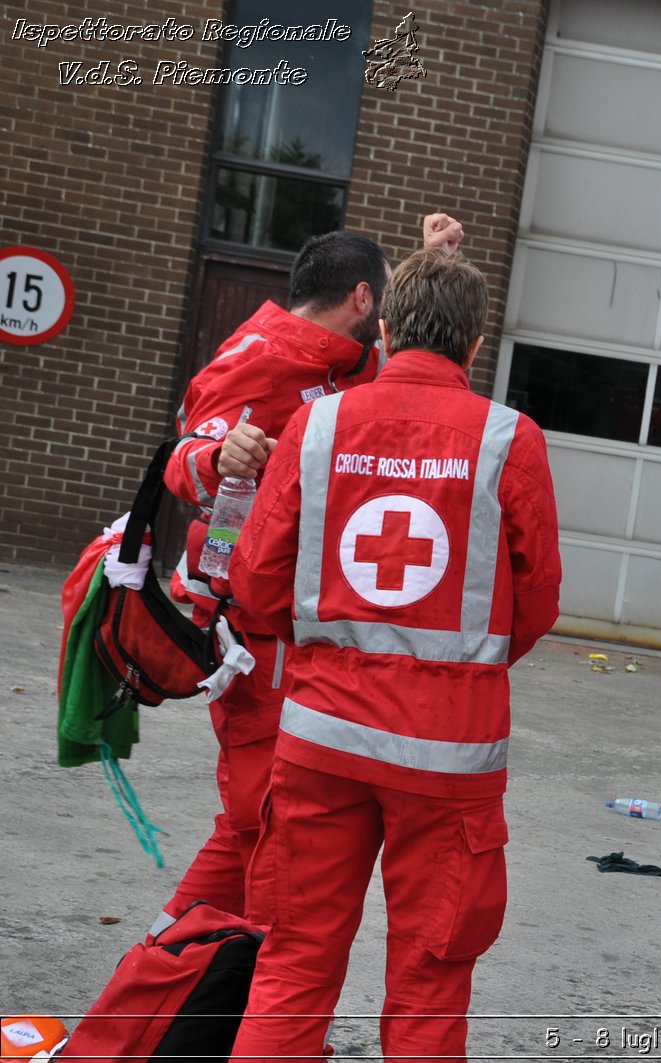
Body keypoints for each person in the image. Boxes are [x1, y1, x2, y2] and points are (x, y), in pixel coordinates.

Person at [225, 249, 561, 1060]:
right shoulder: (510, 439)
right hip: (451, 754)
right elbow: (537, 598)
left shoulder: (317, 426)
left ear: (383, 327)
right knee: (430, 979)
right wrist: (463, 664)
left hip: (320, 739)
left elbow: (259, 584)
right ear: (477, 346)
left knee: (296, 958)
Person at [151, 214, 463, 936]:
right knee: (264, 820)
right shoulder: (260, 357)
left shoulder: (340, 359)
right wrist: (217, 456)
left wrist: (432, 262)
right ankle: (206, 982)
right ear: (362, 299)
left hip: (288, 629)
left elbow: (407, 365)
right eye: (387, 298)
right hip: (249, 634)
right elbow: (184, 454)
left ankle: (175, 973)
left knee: (260, 823)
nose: (390, 317)